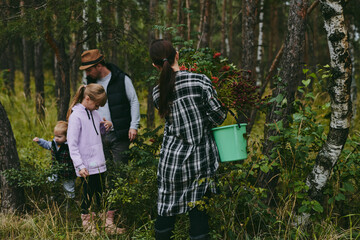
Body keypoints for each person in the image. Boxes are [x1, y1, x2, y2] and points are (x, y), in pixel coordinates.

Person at [150, 39, 227, 240]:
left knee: (166, 211)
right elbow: (218, 117)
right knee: (198, 211)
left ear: (155, 65)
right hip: (200, 159)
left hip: (172, 160)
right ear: (177, 55)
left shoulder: (157, 92)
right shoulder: (199, 80)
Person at [66, 83, 124, 235]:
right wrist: (79, 165)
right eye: (97, 105)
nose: (98, 108)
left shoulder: (94, 114)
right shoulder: (76, 116)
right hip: (86, 165)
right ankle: (87, 224)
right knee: (87, 194)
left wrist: (107, 126)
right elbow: (72, 145)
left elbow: (97, 133)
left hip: (99, 162)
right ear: (87, 98)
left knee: (101, 193)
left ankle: (106, 224)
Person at [79, 49, 140, 165]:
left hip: (119, 133)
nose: (87, 73)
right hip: (98, 135)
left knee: (120, 171)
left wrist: (133, 126)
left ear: (99, 66)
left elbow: (134, 102)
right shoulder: (90, 84)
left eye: (89, 70)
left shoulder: (122, 79)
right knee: (103, 170)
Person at [33, 121, 76, 201]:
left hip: (68, 172)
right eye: (55, 136)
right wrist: (39, 141)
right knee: (51, 181)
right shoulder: (54, 144)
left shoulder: (69, 146)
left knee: (68, 187)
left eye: (59, 136)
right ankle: (54, 196)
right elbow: (47, 144)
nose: (56, 138)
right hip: (55, 169)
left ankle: (70, 201)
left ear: (67, 137)